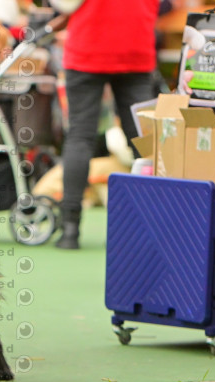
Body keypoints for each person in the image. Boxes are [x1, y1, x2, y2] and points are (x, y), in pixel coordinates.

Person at [49, 0, 159, 249]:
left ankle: (70, 229)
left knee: (80, 136)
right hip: (135, 42)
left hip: (88, 43)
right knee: (144, 140)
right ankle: (154, 223)